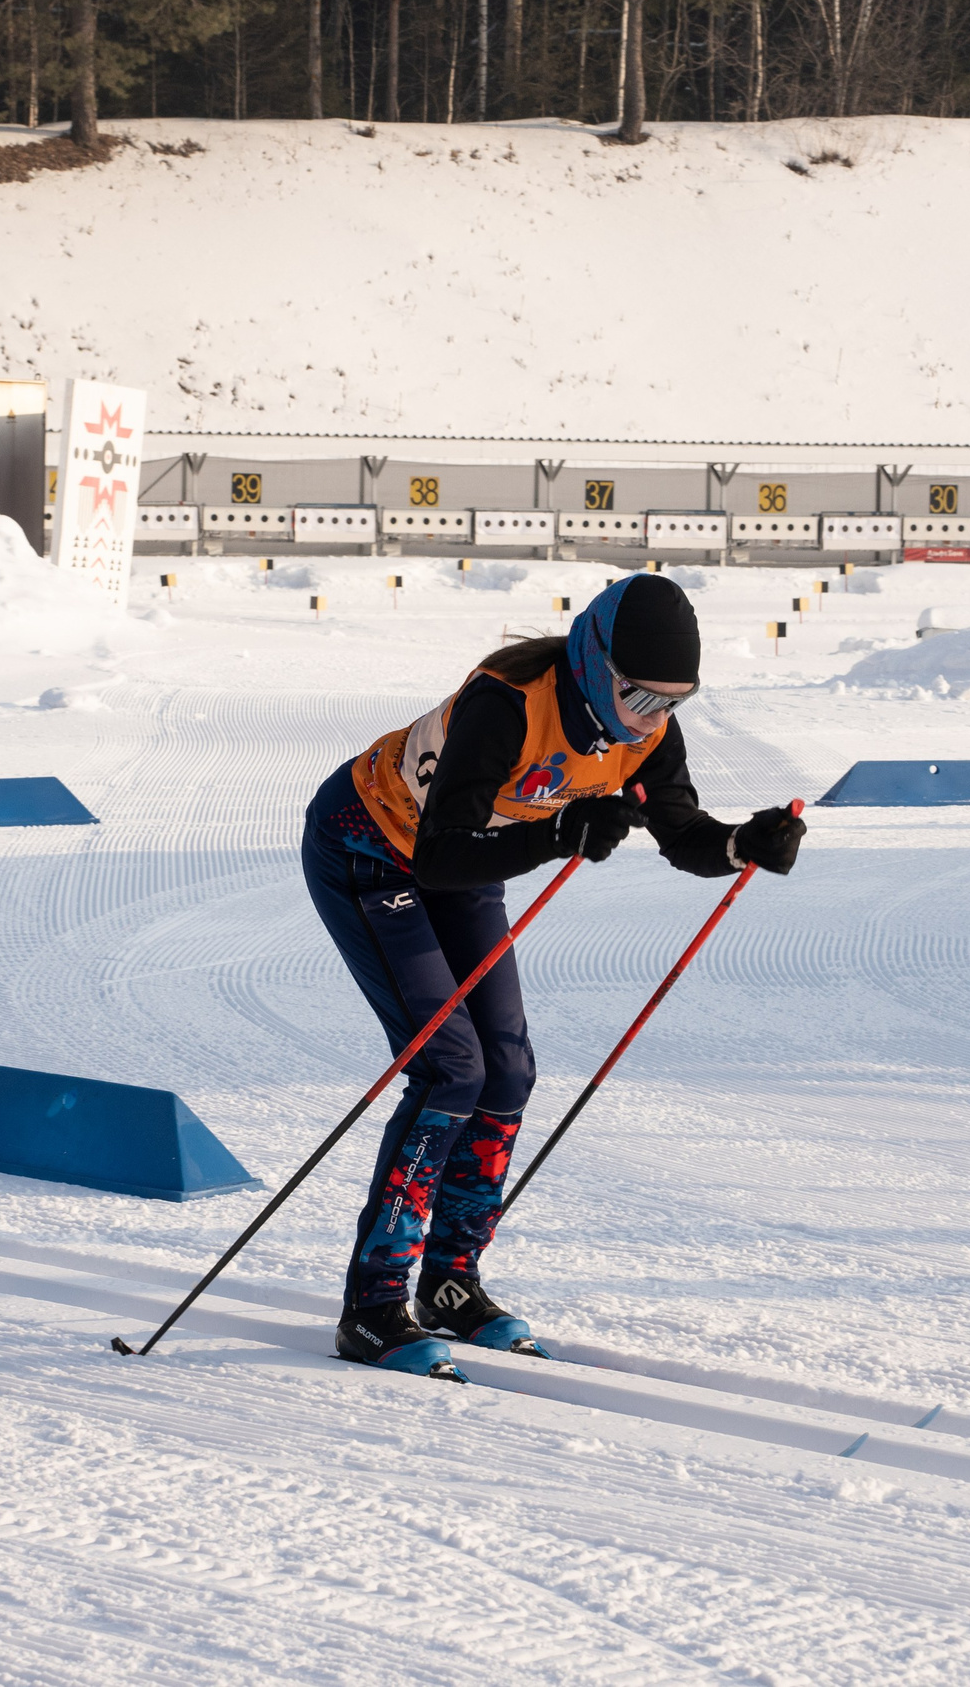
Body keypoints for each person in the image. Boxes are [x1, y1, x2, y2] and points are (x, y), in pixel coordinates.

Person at [299, 573, 806, 1377]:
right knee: (449, 1069)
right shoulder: (507, 704)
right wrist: (563, 828)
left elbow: (683, 835)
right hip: (370, 851)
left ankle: (449, 1281)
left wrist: (747, 843)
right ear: (593, 657)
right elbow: (438, 854)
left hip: (465, 869)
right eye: (638, 697)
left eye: (673, 702)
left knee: (508, 1069)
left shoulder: (646, 734)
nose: (650, 718)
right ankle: (373, 1303)